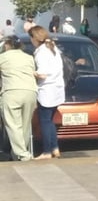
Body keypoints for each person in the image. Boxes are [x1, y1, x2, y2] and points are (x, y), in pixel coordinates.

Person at [28, 26, 66, 160]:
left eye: (30, 38)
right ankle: (55, 148)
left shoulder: (41, 52)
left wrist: (32, 72)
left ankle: (46, 151)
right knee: (50, 121)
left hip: (47, 90)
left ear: (35, 38)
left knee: (44, 121)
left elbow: (42, 74)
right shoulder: (53, 48)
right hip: (57, 88)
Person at [0, 36, 37, 161]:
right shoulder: (29, 57)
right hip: (30, 92)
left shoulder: (3, 57)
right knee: (25, 125)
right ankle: (18, 153)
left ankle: (22, 154)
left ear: (6, 45)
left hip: (12, 91)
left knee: (13, 125)